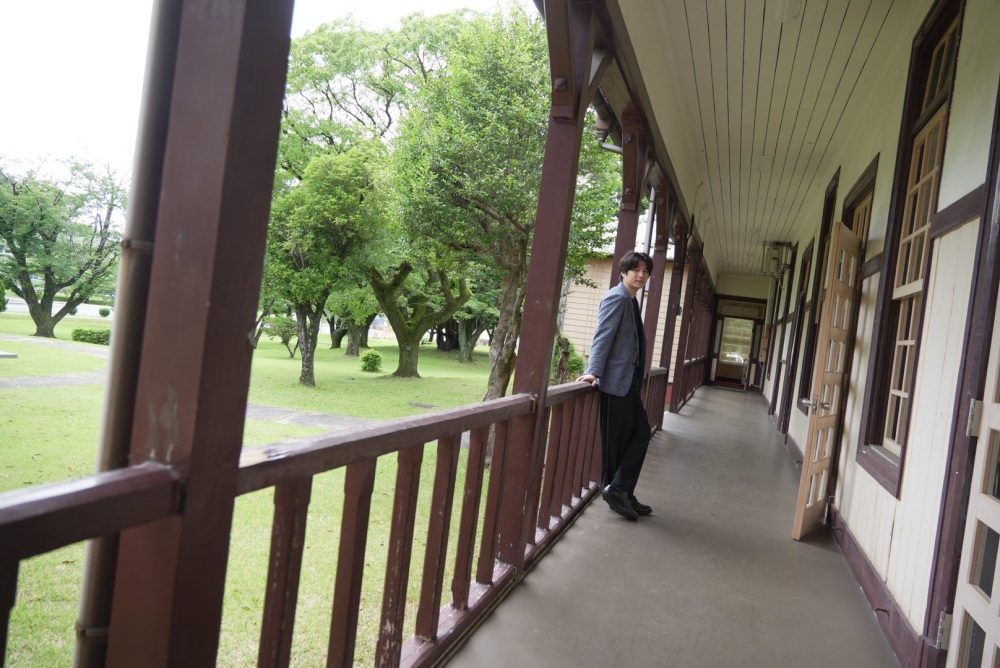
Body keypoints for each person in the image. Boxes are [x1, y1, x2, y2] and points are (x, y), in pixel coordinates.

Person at [576, 250, 653, 521]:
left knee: (641, 433)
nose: (641, 275)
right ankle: (619, 492)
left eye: (645, 271)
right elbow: (603, 336)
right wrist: (593, 371)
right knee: (616, 443)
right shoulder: (616, 297)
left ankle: (621, 490)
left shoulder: (631, 300)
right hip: (614, 383)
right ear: (623, 272)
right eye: (636, 270)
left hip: (628, 384)